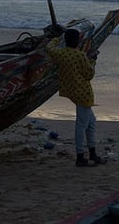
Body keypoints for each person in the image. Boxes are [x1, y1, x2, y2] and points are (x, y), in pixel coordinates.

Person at [46, 28, 105, 167]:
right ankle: (80, 156)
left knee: (91, 123)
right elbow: (89, 74)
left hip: (73, 92)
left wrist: (56, 38)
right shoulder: (80, 56)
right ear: (78, 41)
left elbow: (48, 48)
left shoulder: (60, 53)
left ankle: (92, 153)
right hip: (84, 93)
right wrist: (93, 60)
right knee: (82, 125)